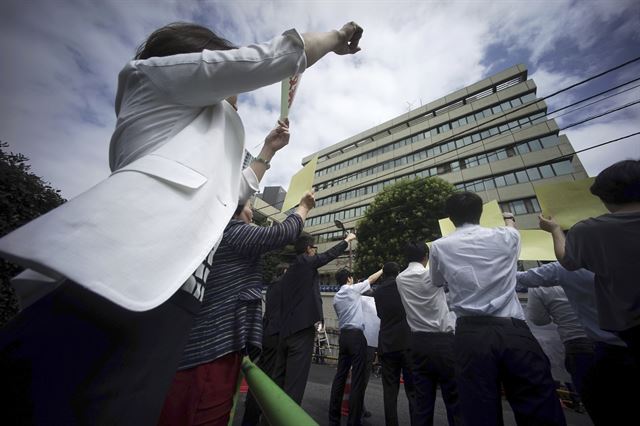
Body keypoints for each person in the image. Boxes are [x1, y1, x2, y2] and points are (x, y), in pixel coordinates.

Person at [0, 21, 364, 424]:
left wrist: (267, 150)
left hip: (175, 304)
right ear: (197, 58)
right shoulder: (148, 81)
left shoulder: (194, 133)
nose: (236, 98)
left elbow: (227, 191)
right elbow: (267, 60)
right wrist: (331, 40)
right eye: (229, 84)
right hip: (116, 276)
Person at [158, 192, 315, 425]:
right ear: (235, 210)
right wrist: (304, 207)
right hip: (211, 353)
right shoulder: (233, 232)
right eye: (250, 207)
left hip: (198, 351)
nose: (252, 215)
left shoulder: (213, 237)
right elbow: (284, 233)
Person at [430, 192, 565, 426]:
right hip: (514, 330)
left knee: (479, 412)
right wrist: (509, 216)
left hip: (470, 334)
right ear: (481, 213)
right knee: (538, 407)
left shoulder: (439, 247)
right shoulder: (507, 236)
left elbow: (437, 281)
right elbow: (512, 227)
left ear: (450, 218)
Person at [539, 159, 640, 359]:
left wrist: (556, 230)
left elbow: (567, 262)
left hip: (629, 329)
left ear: (603, 196)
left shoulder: (590, 230)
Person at [516, 262, 636, 424]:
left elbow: (538, 319)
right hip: (624, 343)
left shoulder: (555, 274)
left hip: (578, 346)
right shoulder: (622, 263)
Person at [273, 232, 357, 405]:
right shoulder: (304, 262)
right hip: (301, 330)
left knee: (279, 379)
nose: (315, 253)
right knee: (294, 384)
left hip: (285, 331)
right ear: (308, 249)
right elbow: (326, 256)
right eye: (314, 249)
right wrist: (346, 241)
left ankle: (269, 417)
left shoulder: (289, 274)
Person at [396, 242, 458, 426]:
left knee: (422, 402)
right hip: (444, 341)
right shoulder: (431, 276)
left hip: (418, 343)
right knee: (454, 399)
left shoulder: (400, 278)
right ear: (426, 256)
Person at [328, 267, 383, 426]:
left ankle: (334, 419)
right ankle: (353, 421)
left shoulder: (336, 297)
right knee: (357, 380)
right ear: (349, 279)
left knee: (340, 377)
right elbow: (371, 280)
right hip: (357, 336)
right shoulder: (352, 290)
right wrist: (381, 270)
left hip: (343, 336)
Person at [525, 286, 593, 402]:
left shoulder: (540, 285)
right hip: (611, 338)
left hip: (576, 342)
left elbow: (539, 320)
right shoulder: (595, 274)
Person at [241, 263, 288, 426]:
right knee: (269, 379)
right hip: (275, 336)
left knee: (262, 375)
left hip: (267, 332)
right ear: (285, 272)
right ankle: (255, 417)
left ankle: (251, 414)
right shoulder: (283, 285)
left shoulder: (272, 286)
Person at [373, 261, 417, 426]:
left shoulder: (378, 291)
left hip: (387, 343)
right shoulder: (404, 287)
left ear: (384, 274)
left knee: (389, 391)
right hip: (406, 342)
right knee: (412, 391)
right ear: (398, 272)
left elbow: (380, 314)